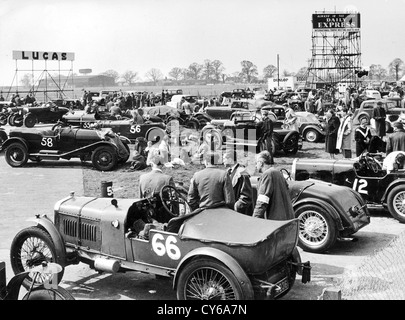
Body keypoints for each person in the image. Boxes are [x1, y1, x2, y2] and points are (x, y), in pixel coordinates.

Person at [252, 151, 295, 220]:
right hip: (287, 218)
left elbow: (262, 201)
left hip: (276, 221)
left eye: (256, 163)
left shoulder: (267, 175)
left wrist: (255, 219)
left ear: (261, 163)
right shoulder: (278, 173)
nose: (255, 165)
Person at [223, 149, 253, 215]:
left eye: (224, 158)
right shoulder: (228, 172)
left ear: (230, 160)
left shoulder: (242, 172)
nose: (223, 161)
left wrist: (236, 207)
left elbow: (246, 196)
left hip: (240, 213)